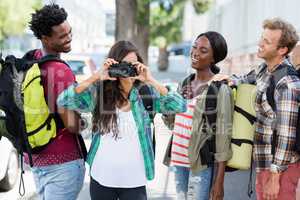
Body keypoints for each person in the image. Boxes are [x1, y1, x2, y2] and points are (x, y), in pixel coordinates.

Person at [57, 40, 187, 200]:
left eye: (133, 64)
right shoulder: (99, 93)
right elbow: (63, 100)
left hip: (135, 181)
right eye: (124, 65)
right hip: (101, 177)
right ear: (113, 65)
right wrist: (96, 76)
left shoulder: (147, 93)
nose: (128, 69)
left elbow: (180, 105)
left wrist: (151, 80)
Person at [214, 18, 300, 200]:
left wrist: (275, 177)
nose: (260, 44)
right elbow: (247, 79)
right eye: (262, 38)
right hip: (263, 165)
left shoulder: (287, 83)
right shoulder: (265, 70)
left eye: (267, 42)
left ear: (282, 50)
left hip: (280, 169)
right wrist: (232, 80)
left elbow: (286, 134)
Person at [162, 31, 233, 200]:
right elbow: (173, 123)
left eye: (203, 50)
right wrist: (168, 108)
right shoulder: (184, 83)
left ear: (213, 58)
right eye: (194, 47)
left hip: (200, 165)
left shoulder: (220, 89)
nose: (195, 52)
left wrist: (219, 182)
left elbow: (223, 137)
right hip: (178, 161)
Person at [26, 4, 86, 200]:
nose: (69, 38)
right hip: (63, 164)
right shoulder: (60, 71)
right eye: (62, 36)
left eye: (70, 32)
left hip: (37, 159)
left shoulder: (32, 61)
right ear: (45, 38)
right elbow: (72, 125)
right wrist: (84, 122)